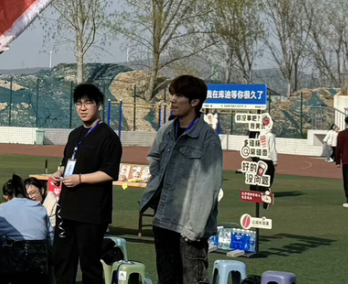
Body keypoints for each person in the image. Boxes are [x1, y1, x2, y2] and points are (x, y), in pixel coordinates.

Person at [140, 75, 222, 284]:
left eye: (179, 95)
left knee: (193, 280)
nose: (173, 100)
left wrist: (194, 229)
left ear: (194, 102)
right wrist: (156, 183)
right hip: (163, 219)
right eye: (172, 94)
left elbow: (208, 186)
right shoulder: (166, 131)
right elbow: (154, 157)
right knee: (167, 279)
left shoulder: (208, 139)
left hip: (189, 228)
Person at [50, 83, 122, 284]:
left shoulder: (108, 137)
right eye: (78, 103)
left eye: (88, 103)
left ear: (99, 105)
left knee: (89, 263)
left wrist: (80, 179)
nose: (82, 108)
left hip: (92, 211)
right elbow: (67, 163)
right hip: (67, 208)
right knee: (62, 259)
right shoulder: (74, 134)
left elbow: (109, 172)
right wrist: (59, 172)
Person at [0, 175, 53, 283]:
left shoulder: (6, 208)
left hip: (18, 262)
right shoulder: (40, 207)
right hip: (41, 263)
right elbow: (51, 237)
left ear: (8, 196)